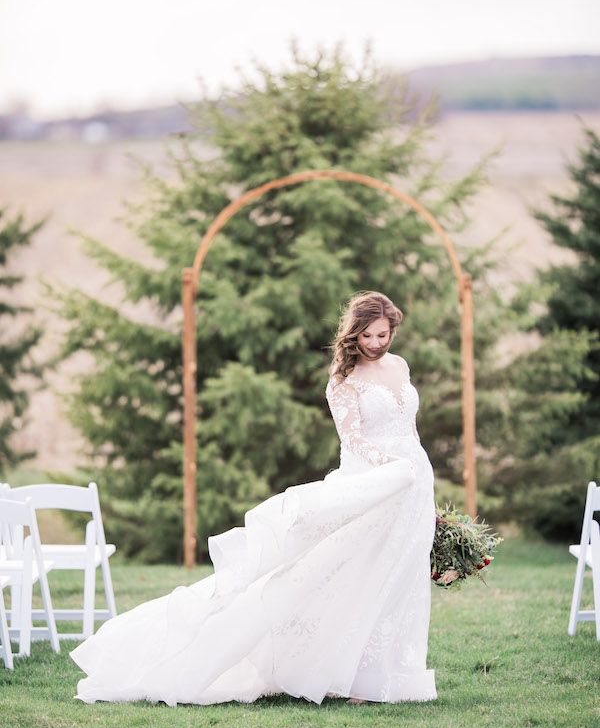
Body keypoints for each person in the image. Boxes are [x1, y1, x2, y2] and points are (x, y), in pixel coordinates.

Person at [71, 291, 437, 706]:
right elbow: (352, 439)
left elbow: (409, 427)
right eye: (368, 335)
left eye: (383, 334)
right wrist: (392, 464)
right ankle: (343, 674)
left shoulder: (400, 366)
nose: (376, 342)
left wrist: (417, 471)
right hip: (370, 485)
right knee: (351, 576)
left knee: (399, 578)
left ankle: (386, 675)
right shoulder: (344, 381)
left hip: (412, 489)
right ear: (354, 334)